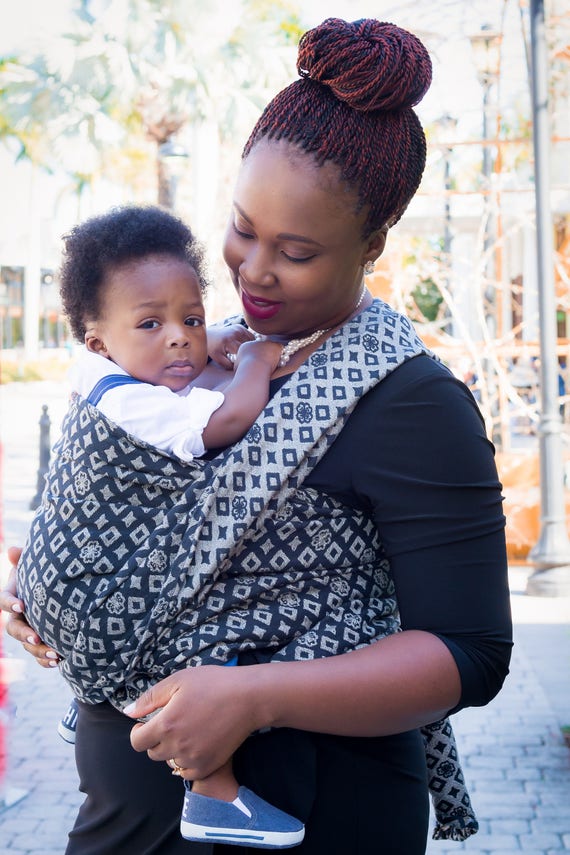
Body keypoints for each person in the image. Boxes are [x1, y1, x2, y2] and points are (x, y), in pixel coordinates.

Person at [1, 17, 512, 855]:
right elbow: (133, 506)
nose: (254, 269)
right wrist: (50, 582)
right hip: (128, 814)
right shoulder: (201, 352)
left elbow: (471, 652)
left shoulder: (413, 401)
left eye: (296, 251)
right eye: (242, 228)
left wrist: (255, 695)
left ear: (373, 244)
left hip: (315, 807)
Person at [14, 204, 304, 848]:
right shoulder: (139, 407)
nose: (179, 338)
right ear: (99, 339)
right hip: (86, 589)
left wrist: (212, 336)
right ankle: (212, 791)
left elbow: (172, 347)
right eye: (153, 323)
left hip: (52, 580)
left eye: (191, 319)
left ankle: (94, 691)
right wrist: (256, 362)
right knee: (197, 635)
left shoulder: (99, 371)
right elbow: (226, 423)